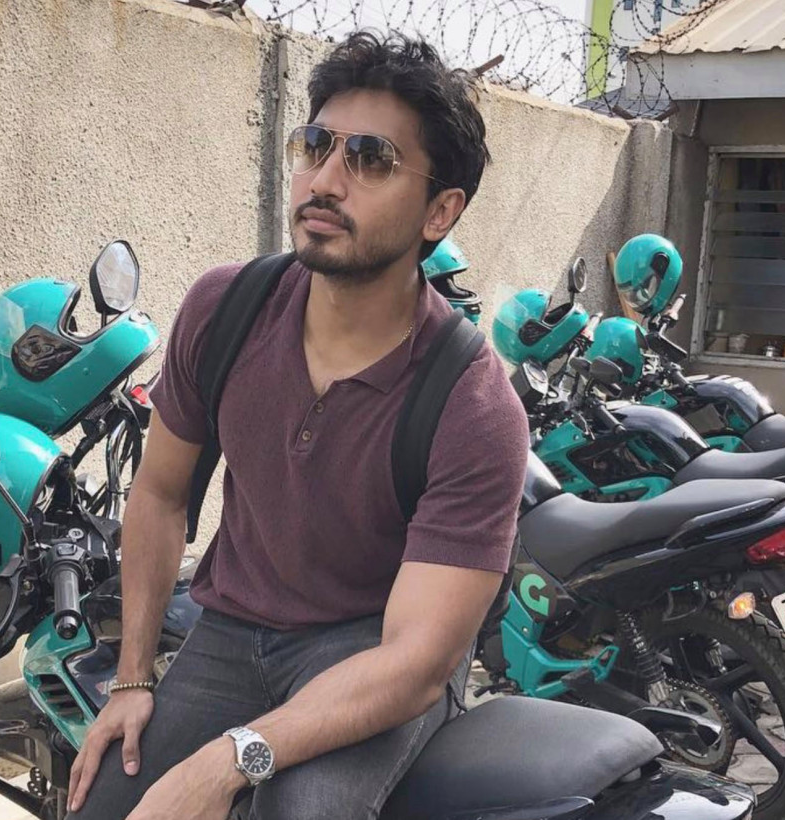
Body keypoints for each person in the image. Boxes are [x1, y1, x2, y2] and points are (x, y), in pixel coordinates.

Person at [65, 29, 529, 820]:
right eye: (316, 146)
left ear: (440, 210)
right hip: (230, 631)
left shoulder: (472, 405)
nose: (325, 180)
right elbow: (162, 495)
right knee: (105, 803)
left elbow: (417, 661)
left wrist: (228, 762)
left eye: (372, 160)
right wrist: (134, 678)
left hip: (370, 647)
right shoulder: (226, 309)